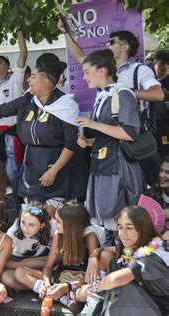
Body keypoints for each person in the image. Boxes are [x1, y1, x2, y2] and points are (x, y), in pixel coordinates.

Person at [0, 57, 79, 201]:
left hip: (56, 163)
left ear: (45, 81)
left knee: (52, 211)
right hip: (31, 162)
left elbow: (71, 143)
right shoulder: (27, 100)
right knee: (30, 209)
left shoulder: (66, 104)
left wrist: (53, 171)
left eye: (33, 77)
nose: (28, 80)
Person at [59, 23, 164, 186]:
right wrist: (65, 32)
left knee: (141, 189)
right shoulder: (103, 69)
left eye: (111, 42)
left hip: (134, 143)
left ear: (124, 47)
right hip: (108, 144)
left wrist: (122, 91)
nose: (107, 45)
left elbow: (159, 94)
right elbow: (81, 58)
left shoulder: (139, 70)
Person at [76, 49, 144, 243]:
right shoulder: (102, 96)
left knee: (120, 222)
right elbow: (107, 136)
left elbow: (130, 133)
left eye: (87, 71)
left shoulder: (122, 94)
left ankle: (124, 266)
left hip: (119, 166)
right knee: (106, 224)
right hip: (103, 164)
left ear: (102, 71)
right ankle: (111, 266)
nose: (84, 77)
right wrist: (88, 141)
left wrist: (93, 125)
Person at [14, 202, 100, 314]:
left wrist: (67, 286)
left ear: (70, 224)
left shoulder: (89, 236)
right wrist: (46, 283)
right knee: (19, 272)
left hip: (80, 281)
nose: (55, 223)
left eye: (58, 221)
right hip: (60, 276)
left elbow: (92, 276)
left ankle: (64, 295)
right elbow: (48, 266)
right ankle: (64, 299)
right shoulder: (58, 234)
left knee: (85, 293)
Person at [84, 206, 169, 315]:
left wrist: (96, 288)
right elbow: (105, 250)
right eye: (120, 227)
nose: (123, 233)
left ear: (143, 228)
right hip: (136, 306)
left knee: (119, 280)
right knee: (107, 257)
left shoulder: (153, 256)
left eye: (129, 228)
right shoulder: (131, 249)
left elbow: (113, 280)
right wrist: (93, 256)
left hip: (157, 311)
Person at [0, 31, 27, 185]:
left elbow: (23, 55)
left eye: (0, 62)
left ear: (8, 67)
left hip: (12, 133)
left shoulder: (14, 81)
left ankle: (15, 201)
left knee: (13, 171)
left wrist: (19, 31)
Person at [2, 202, 54, 291]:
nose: (25, 228)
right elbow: (4, 262)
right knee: (6, 277)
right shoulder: (14, 232)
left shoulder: (52, 226)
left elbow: (60, 256)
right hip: (17, 262)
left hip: (43, 262)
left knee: (19, 273)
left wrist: (33, 261)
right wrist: (27, 263)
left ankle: (46, 284)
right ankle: (43, 287)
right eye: (23, 222)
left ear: (42, 225)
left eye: (31, 225)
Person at [152, 50, 169, 158]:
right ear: (155, 62)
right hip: (151, 131)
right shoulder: (147, 81)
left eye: (168, 64)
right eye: (162, 63)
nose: (165, 67)